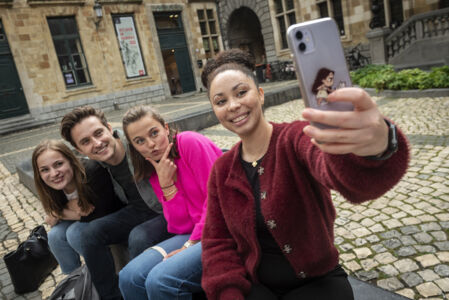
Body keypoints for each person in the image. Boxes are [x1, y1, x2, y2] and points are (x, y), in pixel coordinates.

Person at [200, 49, 410, 300]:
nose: (233, 106)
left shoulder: (296, 138)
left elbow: (341, 175)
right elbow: (217, 242)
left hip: (317, 283)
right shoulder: (222, 169)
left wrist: (374, 148)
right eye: (221, 101)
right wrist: (229, 292)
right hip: (258, 288)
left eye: (241, 92)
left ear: (260, 94)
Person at [60, 106, 172, 300]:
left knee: (138, 237)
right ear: (80, 150)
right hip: (137, 211)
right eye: (86, 142)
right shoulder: (98, 165)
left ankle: (141, 292)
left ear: (109, 128)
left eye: (98, 133)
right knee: (89, 233)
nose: (97, 143)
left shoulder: (137, 145)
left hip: (165, 209)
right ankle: (111, 296)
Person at [118, 105, 221, 300]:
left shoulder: (189, 142)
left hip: (221, 229)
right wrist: (166, 184)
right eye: (140, 141)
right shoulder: (155, 168)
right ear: (134, 146)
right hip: (194, 234)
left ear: (166, 128)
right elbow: (179, 226)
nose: (151, 144)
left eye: (154, 133)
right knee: (129, 277)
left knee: (159, 281)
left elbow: (217, 202)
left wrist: (189, 246)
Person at [32, 139, 123, 274]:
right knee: (55, 236)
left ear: (71, 160)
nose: (53, 173)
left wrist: (60, 212)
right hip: (90, 220)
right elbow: (50, 219)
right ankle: (76, 282)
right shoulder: (49, 185)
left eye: (58, 164)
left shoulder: (91, 172)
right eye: (45, 170)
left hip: (112, 217)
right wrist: (67, 209)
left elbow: (97, 213)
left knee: (75, 232)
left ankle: (105, 278)